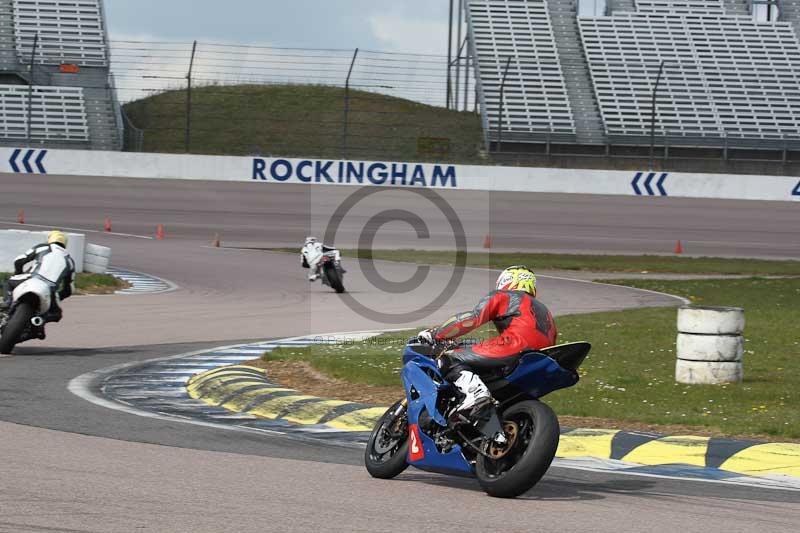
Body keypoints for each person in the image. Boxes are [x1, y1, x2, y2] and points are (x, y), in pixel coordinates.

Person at [418, 265, 557, 418]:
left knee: (449, 357)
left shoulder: (505, 296)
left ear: (506, 280)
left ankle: (476, 393)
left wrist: (436, 334)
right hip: (540, 357)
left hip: (513, 347)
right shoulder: (545, 311)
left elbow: (471, 319)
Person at [2, 230, 75, 322]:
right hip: (50, 289)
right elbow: (69, 290)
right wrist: (58, 296)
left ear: (49, 239)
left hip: (31, 278)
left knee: (7, 282)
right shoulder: (70, 261)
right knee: (57, 315)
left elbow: (19, 260)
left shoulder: (43, 247)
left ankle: (7, 302)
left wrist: (18, 273)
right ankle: (40, 321)